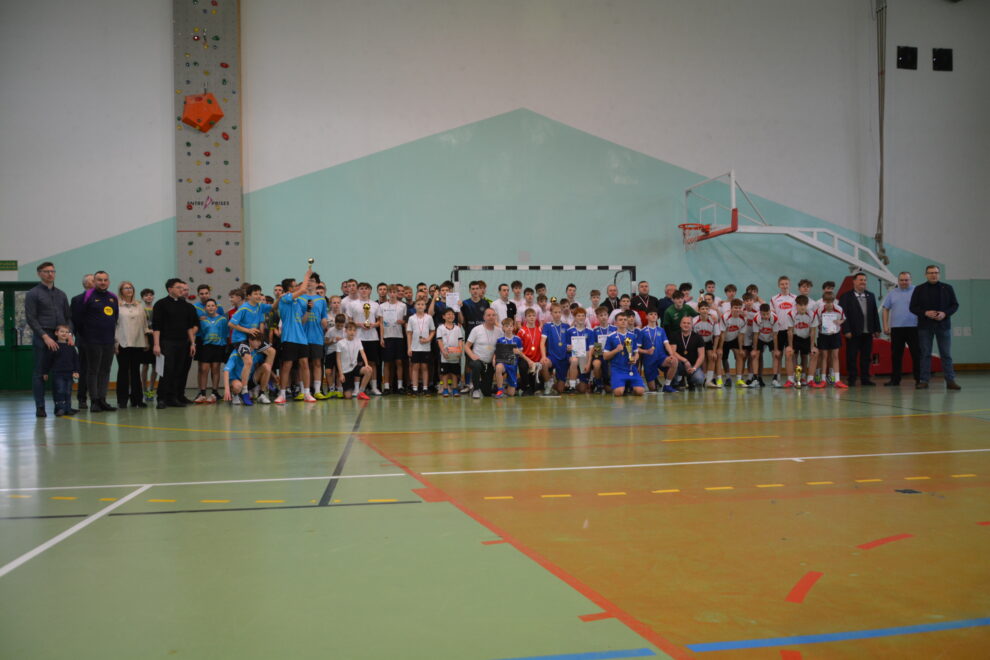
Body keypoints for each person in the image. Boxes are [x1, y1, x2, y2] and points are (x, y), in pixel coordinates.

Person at [24, 262, 73, 417]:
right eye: (46, 271)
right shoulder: (33, 294)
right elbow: (31, 318)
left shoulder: (61, 294)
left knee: (62, 372)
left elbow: (68, 317)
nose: (50, 274)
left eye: (52, 271)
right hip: (43, 336)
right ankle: (40, 407)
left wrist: (69, 334)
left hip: (61, 337)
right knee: (40, 372)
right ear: (39, 273)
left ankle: (61, 406)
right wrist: (45, 336)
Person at [72, 271, 119, 412]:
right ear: (95, 281)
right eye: (99, 280)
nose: (103, 282)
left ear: (109, 281)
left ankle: (103, 399)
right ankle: (94, 401)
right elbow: (77, 320)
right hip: (91, 341)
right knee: (93, 371)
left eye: (105, 280)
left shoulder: (113, 297)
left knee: (105, 370)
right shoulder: (86, 297)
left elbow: (115, 318)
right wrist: (87, 335)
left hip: (108, 341)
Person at [910, 265, 961, 390]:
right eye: (931, 272)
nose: (933, 275)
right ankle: (924, 380)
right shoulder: (919, 289)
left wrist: (945, 313)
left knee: (946, 354)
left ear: (939, 274)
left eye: (936, 272)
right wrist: (925, 313)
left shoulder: (947, 288)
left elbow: (955, 305)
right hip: (924, 326)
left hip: (943, 326)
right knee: (925, 354)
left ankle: (950, 380)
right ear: (926, 274)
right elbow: (912, 307)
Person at [152, 278, 200, 408]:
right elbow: (156, 327)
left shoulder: (185, 305)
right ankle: (162, 398)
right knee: (167, 370)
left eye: (182, 288)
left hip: (183, 343)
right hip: (167, 342)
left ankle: (173, 398)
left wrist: (192, 343)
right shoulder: (160, 304)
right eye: (178, 287)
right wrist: (156, 344)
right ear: (170, 289)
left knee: (179, 370)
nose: (181, 290)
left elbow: (189, 327)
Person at [838, 272, 881, 386]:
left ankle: (865, 378)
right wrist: (846, 330)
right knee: (851, 356)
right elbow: (843, 315)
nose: (863, 282)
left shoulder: (871, 295)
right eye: (861, 280)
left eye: (865, 280)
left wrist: (877, 329)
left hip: (868, 332)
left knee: (866, 357)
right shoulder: (846, 296)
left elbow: (874, 313)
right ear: (854, 281)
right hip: (853, 332)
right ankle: (852, 378)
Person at [114, 281, 149, 408]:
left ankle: (137, 399)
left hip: (138, 342)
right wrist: (115, 342)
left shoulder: (139, 305)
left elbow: (144, 324)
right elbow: (114, 325)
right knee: (123, 370)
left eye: (130, 288)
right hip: (122, 342)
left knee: (135, 371)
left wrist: (146, 340)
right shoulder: (116, 306)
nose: (129, 290)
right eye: (126, 288)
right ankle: (122, 400)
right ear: (121, 291)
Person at [882, 271, 920, 386]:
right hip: (897, 328)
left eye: (906, 280)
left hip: (914, 327)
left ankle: (919, 379)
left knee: (917, 354)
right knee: (896, 355)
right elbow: (885, 309)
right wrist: (885, 325)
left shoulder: (917, 291)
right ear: (898, 281)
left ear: (910, 280)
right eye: (901, 280)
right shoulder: (892, 293)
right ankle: (895, 379)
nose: (904, 282)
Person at [603, 311, 645, 396]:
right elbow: (605, 356)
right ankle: (622, 386)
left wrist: (635, 358)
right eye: (620, 320)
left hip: (631, 368)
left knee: (640, 391)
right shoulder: (611, 337)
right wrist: (616, 350)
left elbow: (636, 353)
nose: (623, 321)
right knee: (618, 393)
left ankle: (628, 385)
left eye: (625, 319)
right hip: (617, 369)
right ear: (616, 323)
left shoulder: (632, 336)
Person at [41, 325, 80, 417]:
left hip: (69, 373)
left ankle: (68, 408)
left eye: (66, 332)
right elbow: (48, 361)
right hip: (58, 373)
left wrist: (76, 371)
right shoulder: (54, 346)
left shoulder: (71, 347)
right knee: (59, 390)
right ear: (56, 333)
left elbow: (76, 360)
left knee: (68, 391)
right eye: (62, 331)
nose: (64, 333)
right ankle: (60, 409)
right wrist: (45, 372)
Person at [193, 299, 228, 403]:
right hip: (206, 347)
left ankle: (214, 393)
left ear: (216, 307)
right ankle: (203, 393)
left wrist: (224, 347)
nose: (211, 307)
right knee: (204, 369)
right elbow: (199, 334)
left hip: (218, 347)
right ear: (205, 308)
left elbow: (225, 334)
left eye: (213, 305)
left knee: (215, 369)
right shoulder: (202, 320)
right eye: (208, 306)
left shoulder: (222, 319)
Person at [69, 273, 95, 409]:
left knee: (98, 370)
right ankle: (82, 398)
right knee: (84, 369)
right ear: (86, 284)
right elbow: (73, 320)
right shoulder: (77, 300)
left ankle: (97, 399)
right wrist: (73, 336)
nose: (96, 282)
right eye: (93, 280)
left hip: (101, 340)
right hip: (84, 339)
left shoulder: (105, 298)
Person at [223, 335, 271, 406]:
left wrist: (274, 377)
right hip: (237, 381)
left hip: (249, 381)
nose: (260, 343)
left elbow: (263, 367)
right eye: (257, 341)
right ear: (250, 340)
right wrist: (226, 389)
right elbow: (226, 371)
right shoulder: (235, 353)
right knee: (238, 386)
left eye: (260, 341)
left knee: (267, 366)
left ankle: (261, 394)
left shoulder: (256, 353)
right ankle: (235, 394)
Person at [812, 292, 846, 388]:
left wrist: (839, 321)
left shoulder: (839, 309)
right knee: (824, 356)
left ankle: (837, 380)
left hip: (835, 334)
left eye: (831, 302)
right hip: (823, 335)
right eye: (827, 302)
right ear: (823, 301)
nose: (829, 304)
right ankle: (823, 380)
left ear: (834, 301)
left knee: (835, 356)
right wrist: (821, 324)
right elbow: (815, 324)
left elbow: (843, 319)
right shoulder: (819, 310)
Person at [465, 308, 500, 398]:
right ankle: (476, 389)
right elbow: (466, 346)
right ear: (484, 317)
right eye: (488, 315)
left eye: (493, 315)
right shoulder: (476, 330)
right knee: (476, 365)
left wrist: (495, 358)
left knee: (487, 393)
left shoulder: (499, 331)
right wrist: (472, 355)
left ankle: (481, 386)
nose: (491, 317)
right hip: (478, 360)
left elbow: (500, 347)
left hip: (490, 363)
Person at [494, 317, 533, 398]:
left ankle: (505, 387)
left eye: (511, 326)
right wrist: (494, 359)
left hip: (512, 365)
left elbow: (521, 353)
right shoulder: (500, 339)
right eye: (507, 326)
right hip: (503, 363)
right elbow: (497, 352)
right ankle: (500, 389)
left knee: (511, 393)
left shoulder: (517, 339)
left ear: (513, 327)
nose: (509, 328)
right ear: (503, 328)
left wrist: (527, 359)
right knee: (498, 367)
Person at [785, 295, 819, 388]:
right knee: (789, 353)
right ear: (796, 305)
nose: (803, 307)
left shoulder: (812, 314)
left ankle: (809, 379)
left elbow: (813, 331)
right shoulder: (791, 314)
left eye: (804, 305)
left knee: (814, 353)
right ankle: (791, 379)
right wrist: (790, 347)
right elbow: (790, 331)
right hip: (795, 337)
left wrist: (812, 347)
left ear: (807, 305)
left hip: (807, 338)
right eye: (800, 305)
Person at [540, 302, 570, 396]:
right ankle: (548, 385)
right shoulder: (547, 326)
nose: (557, 314)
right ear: (551, 313)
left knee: (560, 390)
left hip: (564, 357)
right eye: (555, 312)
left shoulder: (566, 326)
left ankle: (554, 381)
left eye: (559, 312)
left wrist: (570, 347)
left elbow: (570, 343)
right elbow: (542, 343)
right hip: (552, 356)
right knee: (544, 363)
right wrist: (543, 356)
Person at [336, 322, 372, 400]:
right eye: (350, 330)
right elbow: (338, 359)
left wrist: (366, 364)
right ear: (345, 330)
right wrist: (341, 374)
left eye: (354, 330)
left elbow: (363, 353)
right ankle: (343, 389)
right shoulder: (340, 343)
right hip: (346, 371)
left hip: (355, 367)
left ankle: (361, 392)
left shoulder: (358, 341)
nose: (352, 332)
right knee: (348, 396)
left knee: (369, 370)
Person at [406, 298, 435, 395]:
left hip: (426, 347)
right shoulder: (411, 318)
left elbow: (432, 331)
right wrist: (409, 347)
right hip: (415, 347)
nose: (420, 306)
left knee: (424, 367)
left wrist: (428, 339)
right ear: (415, 306)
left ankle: (425, 388)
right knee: (415, 367)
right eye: (418, 304)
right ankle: (415, 388)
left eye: (422, 304)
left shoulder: (429, 318)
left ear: (425, 306)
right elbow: (409, 333)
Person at [564, 308, 596, 393]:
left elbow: (591, 349)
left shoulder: (590, 331)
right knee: (574, 360)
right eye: (578, 316)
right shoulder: (569, 331)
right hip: (573, 356)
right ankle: (572, 387)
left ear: (585, 317)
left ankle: (576, 378)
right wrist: (568, 347)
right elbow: (566, 346)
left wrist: (588, 363)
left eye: (583, 316)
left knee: (582, 389)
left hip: (585, 357)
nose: (581, 318)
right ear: (574, 317)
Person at [671, 314, 706, 390]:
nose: (686, 325)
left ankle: (690, 380)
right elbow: (672, 352)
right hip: (680, 364)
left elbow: (701, 355)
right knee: (673, 361)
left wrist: (694, 368)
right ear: (680, 324)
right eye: (684, 323)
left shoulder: (698, 337)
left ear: (692, 325)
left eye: (688, 323)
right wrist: (685, 361)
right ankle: (677, 382)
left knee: (699, 379)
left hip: (693, 365)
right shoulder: (674, 335)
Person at [436, 307, 464, 397]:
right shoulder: (440, 328)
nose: (450, 316)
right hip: (445, 355)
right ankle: (445, 389)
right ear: (443, 316)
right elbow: (439, 340)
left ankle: (455, 389)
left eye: (452, 314)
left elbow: (460, 340)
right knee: (445, 373)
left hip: (455, 355)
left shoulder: (457, 328)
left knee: (454, 373)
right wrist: (443, 351)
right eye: (448, 314)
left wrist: (460, 351)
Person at [139, 288, 158, 401]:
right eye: (146, 295)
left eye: (151, 295)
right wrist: (146, 339)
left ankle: (151, 388)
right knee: (145, 365)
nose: (149, 297)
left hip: (155, 339)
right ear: (142, 298)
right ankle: (144, 389)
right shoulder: (140, 310)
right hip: (145, 339)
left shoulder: (157, 309)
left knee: (155, 366)